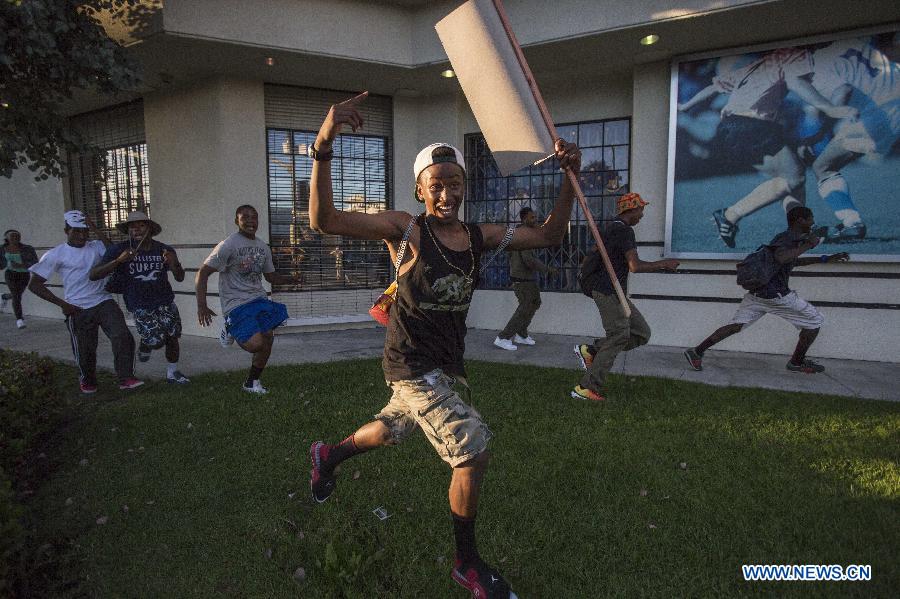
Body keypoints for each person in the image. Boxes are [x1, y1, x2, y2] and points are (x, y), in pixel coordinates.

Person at [306, 92, 580, 599]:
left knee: (391, 430)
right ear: (421, 189)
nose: (447, 193)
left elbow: (548, 236)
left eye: (455, 184)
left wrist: (569, 177)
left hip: (449, 365)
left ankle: (329, 455)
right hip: (411, 364)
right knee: (471, 452)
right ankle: (467, 564)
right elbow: (324, 221)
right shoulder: (405, 230)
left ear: (464, 188)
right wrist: (323, 147)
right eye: (437, 186)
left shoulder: (478, 236)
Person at [677, 47, 858, 248]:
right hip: (752, 125)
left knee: (791, 178)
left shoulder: (757, 65)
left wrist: (685, 106)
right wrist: (829, 108)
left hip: (730, 128)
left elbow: (713, 88)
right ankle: (729, 215)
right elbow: (796, 81)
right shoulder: (795, 53)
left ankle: (799, 233)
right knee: (794, 177)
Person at [684, 206, 849, 373]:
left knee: (736, 326)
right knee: (815, 321)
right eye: (810, 218)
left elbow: (791, 261)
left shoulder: (786, 238)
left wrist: (825, 258)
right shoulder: (788, 240)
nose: (813, 222)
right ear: (800, 220)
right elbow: (782, 257)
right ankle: (796, 363)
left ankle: (696, 352)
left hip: (758, 295)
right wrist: (808, 245)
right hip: (777, 296)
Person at [572, 193, 679, 401]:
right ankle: (586, 388)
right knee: (619, 335)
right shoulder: (624, 231)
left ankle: (592, 350)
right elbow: (635, 266)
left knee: (641, 332)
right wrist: (664, 264)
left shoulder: (610, 229)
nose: (642, 214)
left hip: (613, 291)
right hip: (607, 290)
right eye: (640, 210)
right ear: (630, 210)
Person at [27, 210, 144, 394]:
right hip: (77, 306)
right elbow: (34, 284)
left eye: (84, 231)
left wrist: (95, 228)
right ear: (67, 231)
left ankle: (126, 377)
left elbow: (113, 251)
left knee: (122, 335)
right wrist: (62, 304)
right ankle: (88, 380)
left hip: (103, 300)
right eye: (76, 231)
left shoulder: (96, 246)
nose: (82, 235)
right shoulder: (56, 254)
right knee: (85, 349)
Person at [195, 205, 299, 394]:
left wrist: (291, 278)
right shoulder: (228, 245)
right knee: (256, 344)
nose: (250, 221)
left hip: (258, 299)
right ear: (237, 221)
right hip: (236, 304)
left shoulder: (262, 247)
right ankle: (230, 326)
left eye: (254, 217)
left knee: (268, 339)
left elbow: (270, 277)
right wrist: (202, 306)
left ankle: (251, 382)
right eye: (245, 217)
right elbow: (202, 273)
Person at [89, 211, 190, 384]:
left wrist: (173, 262)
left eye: (141, 225)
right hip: (139, 303)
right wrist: (119, 261)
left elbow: (179, 277)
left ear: (149, 228)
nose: (136, 229)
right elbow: (94, 275)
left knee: (173, 336)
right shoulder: (119, 250)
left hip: (164, 300)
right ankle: (146, 343)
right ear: (128, 231)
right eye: (132, 226)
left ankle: (173, 373)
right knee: (157, 341)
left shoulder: (163, 249)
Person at [493, 206, 557, 350]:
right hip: (522, 278)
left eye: (535, 217)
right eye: (532, 217)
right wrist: (547, 270)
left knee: (535, 303)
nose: (535, 220)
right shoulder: (523, 235)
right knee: (525, 307)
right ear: (524, 219)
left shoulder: (523, 233)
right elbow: (529, 260)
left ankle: (521, 334)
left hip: (526, 278)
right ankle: (503, 337)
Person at [1, 229, 38, 328]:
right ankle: (19, 319)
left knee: (17, 295)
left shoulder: (27, 248)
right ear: (7, 238)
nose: (15, 238)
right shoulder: (2, 248)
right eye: (12, 236)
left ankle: (4, 297)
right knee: (17, 296)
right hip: (10, 274)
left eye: (17, 236)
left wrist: (21, 265)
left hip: (24, 275)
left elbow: (35, 262)